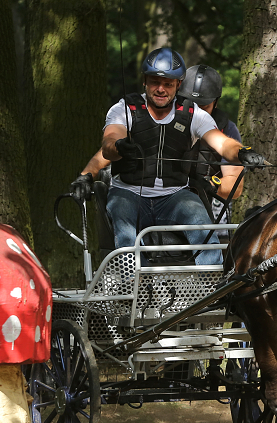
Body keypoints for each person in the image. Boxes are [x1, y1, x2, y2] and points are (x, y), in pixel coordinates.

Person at [71, 48, 263, 264]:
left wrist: (242, 153)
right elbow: (109, 144)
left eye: (168, 84)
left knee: (202, 224)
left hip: (175, 196)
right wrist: (120, 147)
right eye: (155, 82)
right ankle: (131, 287)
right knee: (123, 224)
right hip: (128, 193)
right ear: (145, 81)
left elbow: (222, 142)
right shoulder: (125, 109)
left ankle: (210, 289)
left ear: (178, 85)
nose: (161, 89)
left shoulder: (193, 114)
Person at [179, 64, 244, 236]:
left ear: (216, 102)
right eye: (192, 105)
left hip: (201, 209)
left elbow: (235, 187)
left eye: (204, 107)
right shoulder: (164, 119)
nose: (197, 113)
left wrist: (211, 185)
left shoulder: (227, 130)